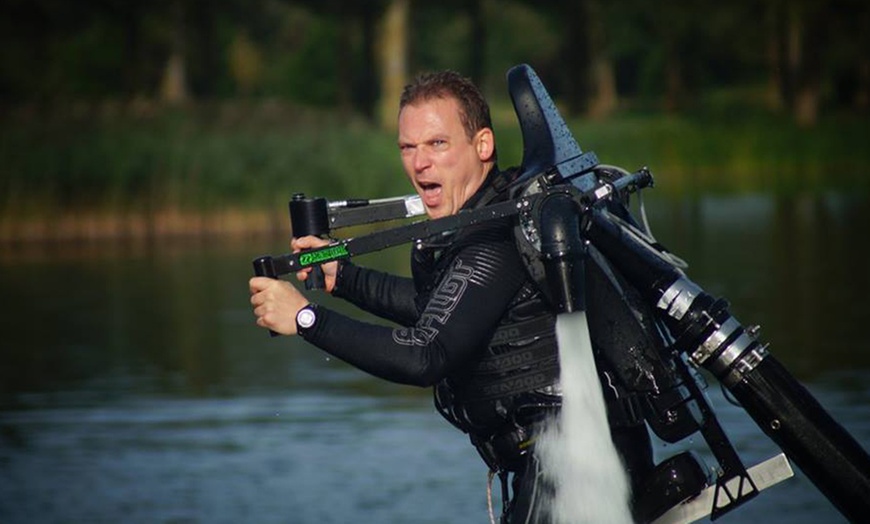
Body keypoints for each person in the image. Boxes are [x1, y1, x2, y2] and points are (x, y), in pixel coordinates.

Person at [249, 70, 658, 522]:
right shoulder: (486, 219)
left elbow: (427, 353)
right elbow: (441, 312)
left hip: (572, 466)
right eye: (408, 147)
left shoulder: (496, 238)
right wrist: (341, 278)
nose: (419, 163)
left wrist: (306, 319)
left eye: (437, 144)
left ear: (482, 145)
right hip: (559, 459)